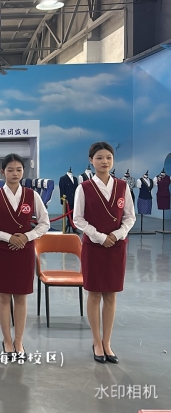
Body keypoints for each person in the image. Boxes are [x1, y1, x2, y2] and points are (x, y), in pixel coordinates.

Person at [0, 153, 50, 360]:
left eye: (19, 170)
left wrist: (27, 236)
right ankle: (7, 340)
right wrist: (8, 237)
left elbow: (44, 223)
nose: (15, 173)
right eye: (10, 170)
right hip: (2, 251)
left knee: (21, 296)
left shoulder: (32, 195)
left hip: (24, 251)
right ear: (3, 172)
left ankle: (18, 341)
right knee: (3, 296)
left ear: (23, 172)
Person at [73, 142, 135, 364]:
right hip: (94, 246)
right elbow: (78, 219)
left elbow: (129, 216)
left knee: (111, 294)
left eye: (108, 157)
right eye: (99, 157)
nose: (105, 161)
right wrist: (100, 236)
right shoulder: (84, 188)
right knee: (94, 293)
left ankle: (107, 342)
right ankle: (96, 341)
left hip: (116, 247)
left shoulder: (122, 186)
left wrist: (117, 235)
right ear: (91, 161)